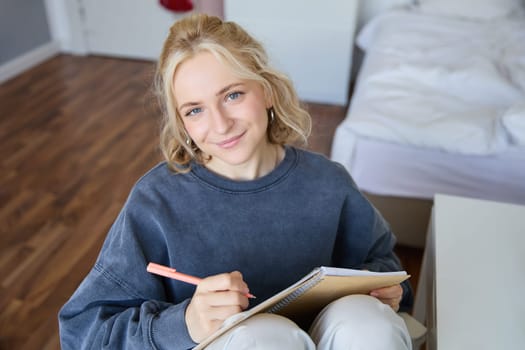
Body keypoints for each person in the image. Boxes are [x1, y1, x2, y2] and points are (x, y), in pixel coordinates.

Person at [58, 13, 414, 350]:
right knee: (263, 338)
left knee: (368, 322)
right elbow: (82, 331)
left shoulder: (328, 183)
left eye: (233, 95)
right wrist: (184, 324)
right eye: (195, 110)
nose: (221, 124)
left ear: (267, 91)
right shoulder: (156, 203)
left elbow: (386, 266)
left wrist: (389, 291)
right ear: (182, 124)